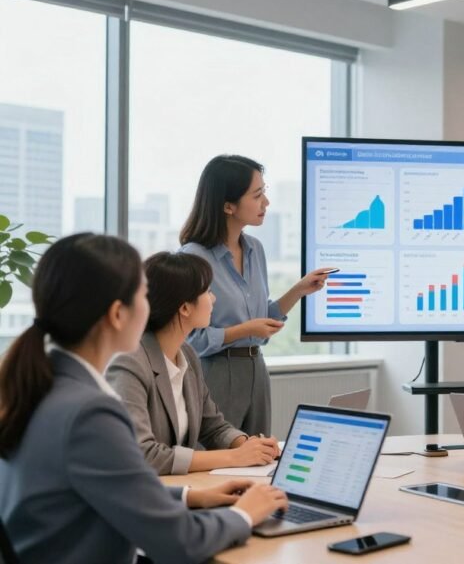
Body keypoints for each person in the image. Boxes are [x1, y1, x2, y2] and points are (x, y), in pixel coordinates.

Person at [0, 233, 288, 564]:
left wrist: (190, 496)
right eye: (142, 295)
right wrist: (245, 514)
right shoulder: (89, 413)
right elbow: (181, 542)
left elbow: (109, 486)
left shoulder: (43, 385)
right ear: (117, 314)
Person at [180, 155, 332, 435]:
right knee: (217, 452)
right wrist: (245, 330)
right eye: (257, 195)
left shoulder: (255, 249)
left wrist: (299, 290)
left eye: (265, 192)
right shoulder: (194, 258)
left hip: (256, 369)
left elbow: (262, 320)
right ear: (228, 205)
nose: (266, 202)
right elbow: (190, 340)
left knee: (259, 453)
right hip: (214, 373)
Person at [107, 252, 281, 475]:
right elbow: (142, 454)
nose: (213, 299)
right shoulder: (129, 362)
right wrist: (235, 457)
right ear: (185, 308)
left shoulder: (187, 355)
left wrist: (250, 446)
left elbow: (213, 427)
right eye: (208, 291)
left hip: (174, 486)